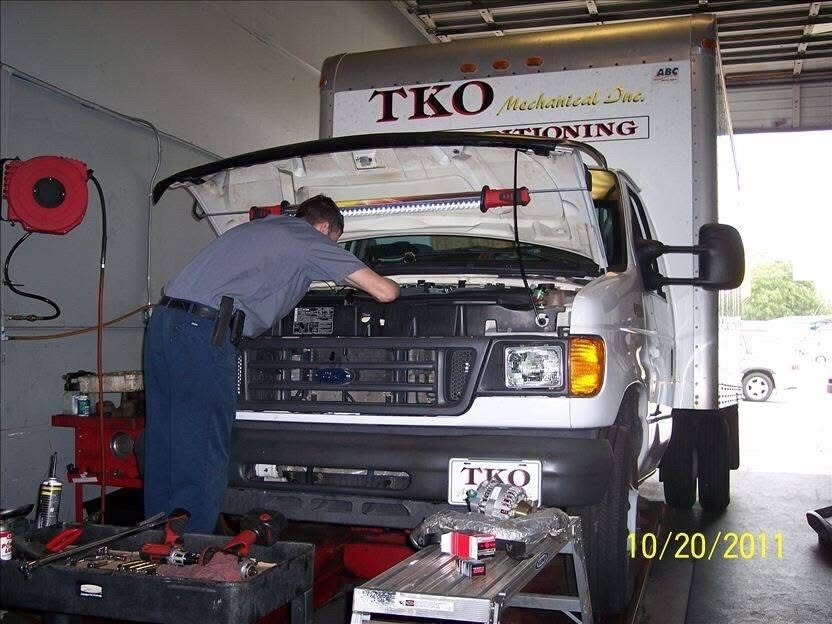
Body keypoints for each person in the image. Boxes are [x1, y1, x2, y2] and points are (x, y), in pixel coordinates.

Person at [143, 194, 399, 532]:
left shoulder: (257, 230)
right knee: (203, 448)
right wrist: (397, 284)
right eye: (333, 242)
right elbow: (384, 292)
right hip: (202, 336)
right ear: (324, 227)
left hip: (163, 325)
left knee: (166, 442)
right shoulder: (307, 239)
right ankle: (188, 552)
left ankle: (153, 540)